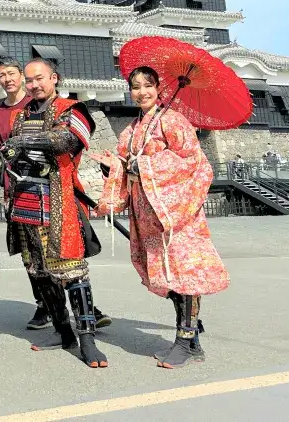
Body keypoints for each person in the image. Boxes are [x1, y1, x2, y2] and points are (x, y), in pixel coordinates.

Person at [92, 66, 230, 369]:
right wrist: (113, 166)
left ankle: (185, 339)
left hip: (177, 212)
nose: (142, 92)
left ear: (159, 89)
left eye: (148, 86)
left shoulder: (173, 120)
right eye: (136, 86)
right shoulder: (132, 128)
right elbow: (128, 164)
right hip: (148, 211)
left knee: (185, 275)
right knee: (167, 275)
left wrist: (145, 167)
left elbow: (192, 161)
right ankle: (192, 340)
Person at [0, 59, 108, 368]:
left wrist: (20, 142)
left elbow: (66, 140)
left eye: (39, 79)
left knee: (72, 271)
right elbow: (12, 153)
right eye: (29, 80)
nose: (34, 85)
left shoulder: (74, 109)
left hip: (57, 202)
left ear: (54, 78)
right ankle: (63, 332)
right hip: (23, 203)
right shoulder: (21, 115)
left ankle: (86, 338)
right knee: (39, 273)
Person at [0, 57, 45, 330]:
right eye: (2, 75)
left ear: (22, 76)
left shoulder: (35, 105)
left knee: (54, 249)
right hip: (15, 190)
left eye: (12, 73)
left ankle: (82, 305)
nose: (7, 79)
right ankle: (43, 304)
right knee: (28, 252)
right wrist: (6, 190)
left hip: (43, 188)